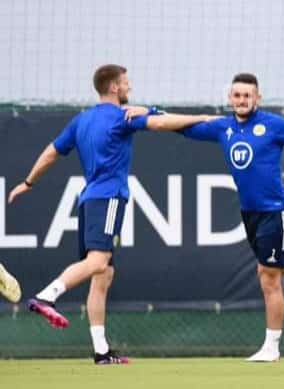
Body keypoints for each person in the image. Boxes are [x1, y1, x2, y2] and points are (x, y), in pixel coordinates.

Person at [7, 64, 212, 364]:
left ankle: (101, 351)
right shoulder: (123, 117)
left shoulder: (82, 120)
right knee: (98, 262)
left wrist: (28, 182)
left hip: (89, 200)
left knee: (103, 273)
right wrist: (202, 117)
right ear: (114, 87)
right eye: (126, 83)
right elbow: (162, 124)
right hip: (109, 197)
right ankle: (45, 296)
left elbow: (51, 152)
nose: (130, 87)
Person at [176, 73, 284, 363]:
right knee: (274, 267)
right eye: (237, 95)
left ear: (258, 98)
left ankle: (272, 347)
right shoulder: (223, 127)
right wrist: (148, 116)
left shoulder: (274, 125)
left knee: (268, 275)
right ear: (230, 98)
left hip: (275, 210)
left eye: (248, 95)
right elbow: (183, 128)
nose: (242, 100)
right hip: (250, 212)